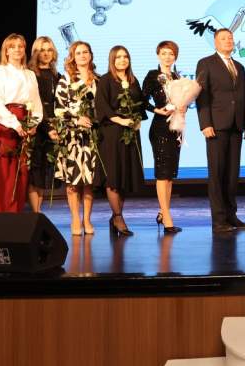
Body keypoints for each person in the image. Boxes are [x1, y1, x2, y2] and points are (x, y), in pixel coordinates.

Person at [196, 28, 245, 234]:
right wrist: (205, 123)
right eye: (223, 38)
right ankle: (218, 219)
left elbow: (242, 97)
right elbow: (202, 96)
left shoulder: (239, 66)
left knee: (232, 173)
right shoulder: (206, 63)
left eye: (230, 38)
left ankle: (231, 214)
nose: (228, 41)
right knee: (217, 173)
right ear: (215, 42)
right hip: (216, 125)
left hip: (236, 125)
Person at [95, 45, 147, 237]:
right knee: (114, 176)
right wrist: (120, 120)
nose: (122, 60)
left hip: (130, 134)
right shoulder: (105, 80)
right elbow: (101, 106)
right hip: (112, 132)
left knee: (125, 177)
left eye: (125, 56)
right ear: (112, 60)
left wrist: (137, 120)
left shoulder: (133, 80)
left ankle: (116, 217)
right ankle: (118, 217)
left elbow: (140, 104)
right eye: (118, 57)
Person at [0, 34, 43, 213]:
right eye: (12, 46)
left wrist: (33, 123)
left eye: (21, 46)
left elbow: (36, 102)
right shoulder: (0, 71)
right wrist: (14, 124)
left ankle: (16, 213)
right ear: (6, 51)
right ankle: (3, 215)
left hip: (26, 122)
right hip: (6, 124)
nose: (17, 49)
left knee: (22, 171)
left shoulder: (30, 74)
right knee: (5, 173)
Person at [55, 40, 102, 235]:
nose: (83, 55)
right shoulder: (65, 80)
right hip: (73, 138)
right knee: (73, 181)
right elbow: (59, 110)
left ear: (90, 55)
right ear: (72, 57)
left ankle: (87, 220)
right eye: (79, 53)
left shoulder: (98, 80)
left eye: (86, 52)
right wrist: (76, 119)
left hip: (92, 136)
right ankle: (75, 219)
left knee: (89, 181)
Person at [142, 40, 183, 233]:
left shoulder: (178, 77)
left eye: (171, 54)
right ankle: (167, 218)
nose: (168, 57)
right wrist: (156, 110)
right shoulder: (152, 75)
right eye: (164, 53)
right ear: (158, 55)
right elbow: (141, 100)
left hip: (176, 128)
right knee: (162, 172)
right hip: (159, 128)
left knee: (170, 174)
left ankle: (163, 211)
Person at [27, 36, 61, 213]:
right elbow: (36, 103)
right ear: (35, 53)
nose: (46, 53)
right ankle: (35, 212)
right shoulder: (30, 74)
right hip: (38, 126)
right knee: (35, 171)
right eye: (42, 50)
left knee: (44, 173)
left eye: (49, 50)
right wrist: (47, 126)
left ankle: (38, 212)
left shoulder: (57, 76)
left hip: (52, 127)